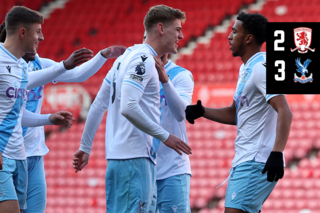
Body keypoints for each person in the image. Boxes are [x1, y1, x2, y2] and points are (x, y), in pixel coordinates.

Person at [73, 5, 192, 213]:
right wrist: (165, 136)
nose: (181, 36)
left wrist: (85, 147)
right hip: (134, 159)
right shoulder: (144, 60)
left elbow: (99, 104)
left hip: (125, 158)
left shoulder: (121, 60)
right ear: (161, 29)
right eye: (177, 29)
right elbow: (128, 107)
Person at [0, 20, 126, 213]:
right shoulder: (6, 70)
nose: (40, 39)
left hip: (33, 154)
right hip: (7, 152)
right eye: (37, 35)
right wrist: (48, 118)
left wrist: (103, 55)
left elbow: (78, 75)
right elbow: (17, 112)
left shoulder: (39, 63)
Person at [185, 12, 292, 213]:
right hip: (245, 159)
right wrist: (202, 111)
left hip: (256, 160)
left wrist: (277, 153)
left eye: (235, 31)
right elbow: (235, 114)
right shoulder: (247, 69)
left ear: (249, 38)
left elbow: (285, 111)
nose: (229, 36)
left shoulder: (261, 68)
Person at [0, 6, 91, 213]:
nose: (41, 37)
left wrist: (49, 119)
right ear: (23, 32)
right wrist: (63, 66)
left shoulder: (22, 67)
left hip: (19, 155)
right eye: (37, 31)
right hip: (3, 155)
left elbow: (17, 115)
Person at [153, 53, 194, 213]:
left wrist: (164, 80)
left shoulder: (180, 75)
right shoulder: (137, 76)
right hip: (142, 168)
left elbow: (181, 113)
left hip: (172, 168)